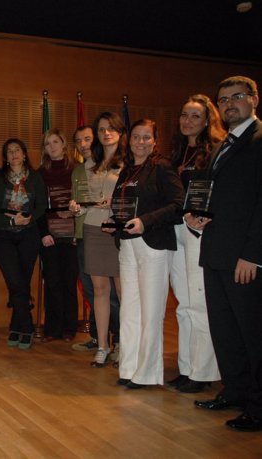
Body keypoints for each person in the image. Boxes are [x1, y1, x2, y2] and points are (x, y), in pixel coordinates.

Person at [187, 76, 262, 432]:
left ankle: (259, 407)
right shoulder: (224, 145)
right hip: (215, 251)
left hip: (244, 259)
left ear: (254, 99)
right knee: (226, 330)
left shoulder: (260, 141)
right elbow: (220, 196)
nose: (230, 103)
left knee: (253, 333)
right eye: (224, 99)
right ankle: (235, 391)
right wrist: (199, 215)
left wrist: (253, 254)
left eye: (237, 97)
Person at [105, 119, 184, 389]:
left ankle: (147, 373)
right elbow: (120, 206)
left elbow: (178, 204)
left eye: (146, 137)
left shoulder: (162, 167)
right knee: (130, 309)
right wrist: (113, 223)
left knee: (151, 313)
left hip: (153, 244)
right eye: (136, 137)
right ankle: (129, 368)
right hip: (128, 245)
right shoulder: (128, 170)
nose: (140, 142)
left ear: (154, 141)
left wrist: (145, 221)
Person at [167, 95, 225, 393]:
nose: (188, 120)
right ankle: (187, 367)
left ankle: (204, 372)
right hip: (176, 230)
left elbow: (222, 193)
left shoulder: (214, 153)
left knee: (199, 303)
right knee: (183, 305)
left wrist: (206, 217)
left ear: (207, 121)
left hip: (198, 232)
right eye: (184, 115)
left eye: (195, 116)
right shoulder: (176, 155)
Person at [70, 112, 125, 367]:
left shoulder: (129, 163)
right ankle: (103, 346)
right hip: (93, 229)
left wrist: (115, 203)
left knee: (123, 294)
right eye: (101, 129)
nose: (106, 133)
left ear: (119, 131)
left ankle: (124, 344)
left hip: (117, 232)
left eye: (110, 128)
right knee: (99, 292)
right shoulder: (91, 164)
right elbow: (86, 201)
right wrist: (77, 208)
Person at [0, 138, 47, 350]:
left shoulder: (36, 178)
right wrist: (12, 220)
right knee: (15, 281)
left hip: (28, 236)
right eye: (9, 151)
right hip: (3, 236)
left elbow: (42, 205)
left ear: (24, 154)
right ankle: (27, 326)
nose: (13, 154)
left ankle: (15, 325)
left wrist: (29, 217)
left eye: (17, 150)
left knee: (21, 282)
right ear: (6, 156)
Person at [38, 128, 78, 342]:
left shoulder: (76, 170)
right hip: (49, 236)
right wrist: (44, 233)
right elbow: (37, 207)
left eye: (55, 142)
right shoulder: (40, 173)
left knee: (69, 282)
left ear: (64, 144)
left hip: (72, 236)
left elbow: (82, 202)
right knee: (52, 282)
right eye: (47, 143)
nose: (52, 146)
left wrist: (76, 227)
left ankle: (70, 328)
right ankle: (52, 329)